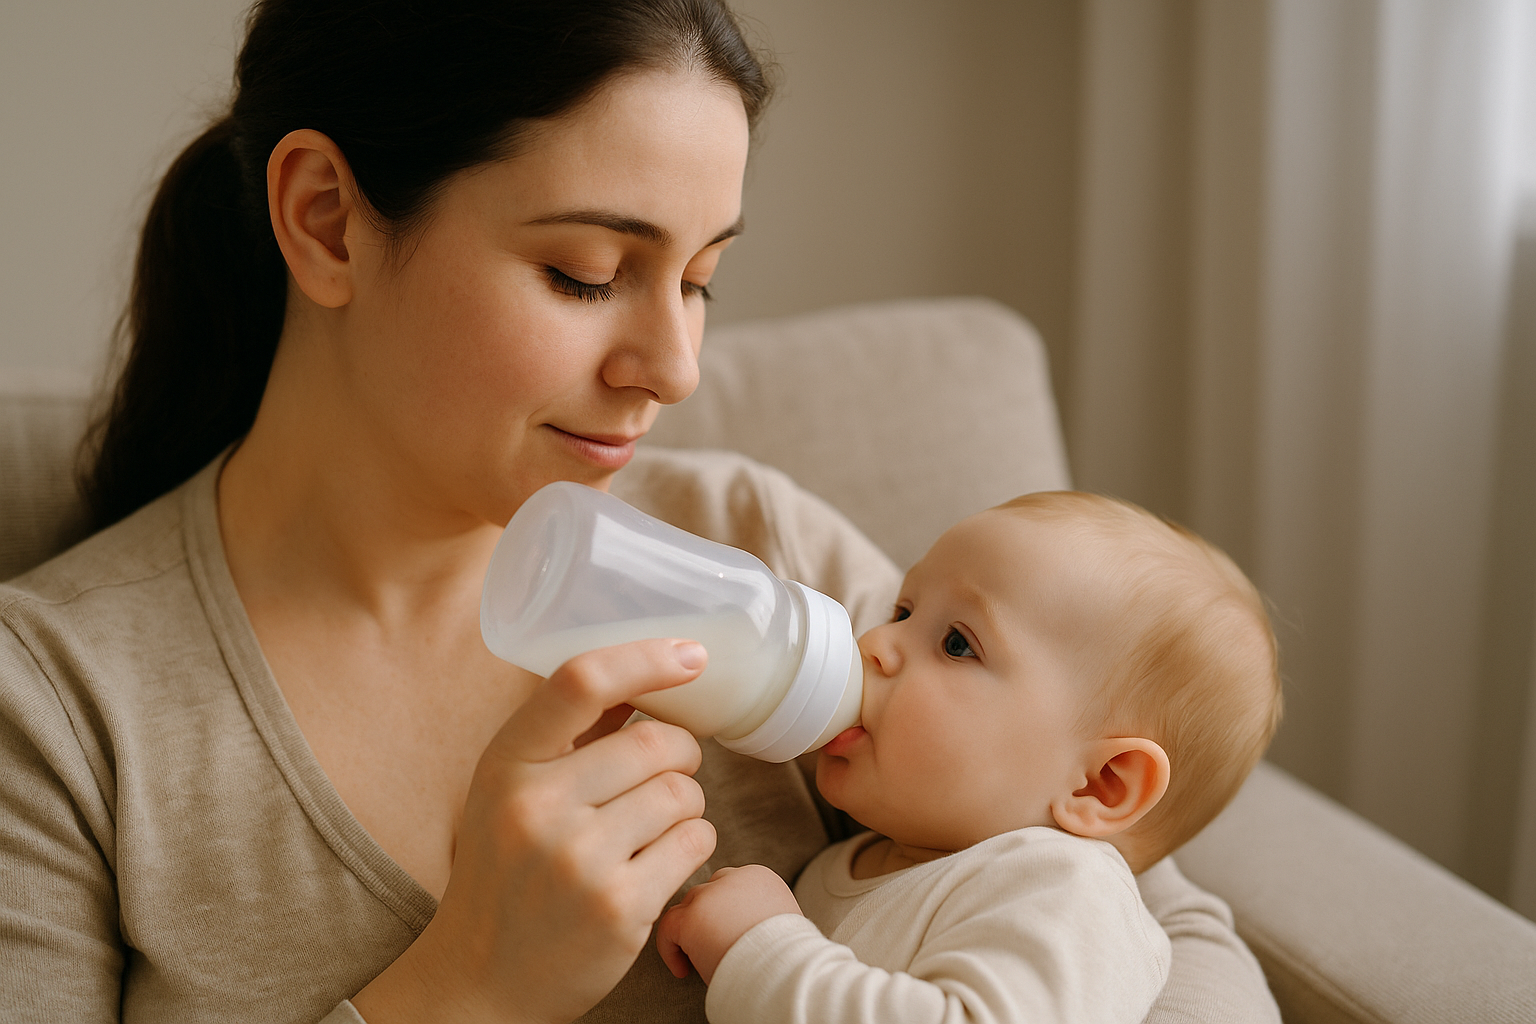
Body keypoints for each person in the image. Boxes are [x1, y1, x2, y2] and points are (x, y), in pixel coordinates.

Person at [0, 2, 1279, 1022]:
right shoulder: (57, 710)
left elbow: (1149, 916)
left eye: (703, 278)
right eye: (588, 272)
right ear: (326, 219)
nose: (674, 369)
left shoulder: (756, 548)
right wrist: (469, 993)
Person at [656, 492, 1283, 1024]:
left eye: (957, 643)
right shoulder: (862, 860)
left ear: (1100, 784)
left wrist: (758, 948)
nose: (873, 642)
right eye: (901, 611)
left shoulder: (1064, 890)